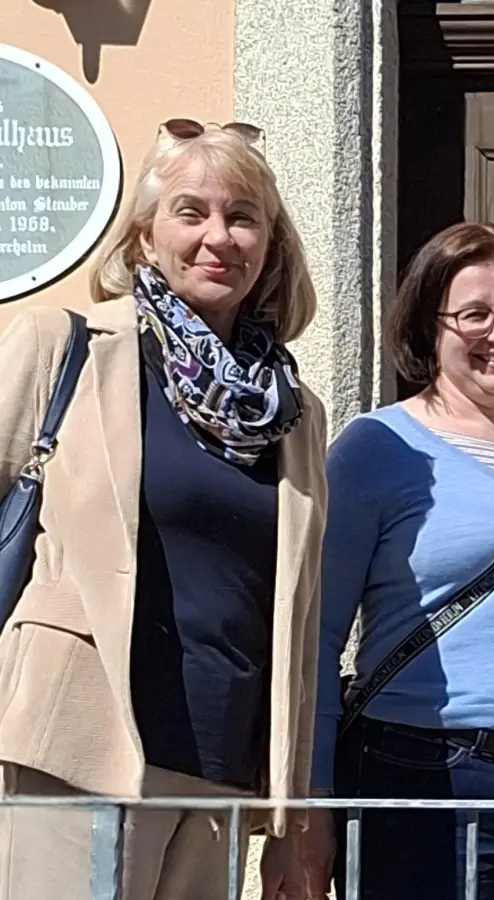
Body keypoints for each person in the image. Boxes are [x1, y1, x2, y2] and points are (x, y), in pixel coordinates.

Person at [0, 118, 325, 900]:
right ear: (145, 238)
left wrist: (292, 812)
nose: (219, 236)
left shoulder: (294, 413)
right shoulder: (66, 346)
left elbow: (300, 617)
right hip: (73, 746)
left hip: (220, 768)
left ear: (269, 247)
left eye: (243, 218)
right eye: (191, 212)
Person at [299, 222, 494, 900]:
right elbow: (316, 640)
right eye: (474, 314)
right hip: (422, 777)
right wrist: (312, 806)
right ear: (429, 327)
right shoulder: (377, 448)